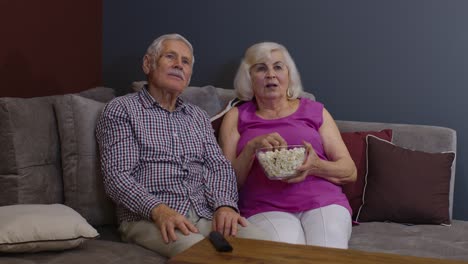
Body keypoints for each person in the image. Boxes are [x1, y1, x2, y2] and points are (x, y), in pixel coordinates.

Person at [96, 34, 270, 258]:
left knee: (266, 247)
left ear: (189, 75)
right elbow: (117, 177)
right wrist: (158, 210)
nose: (179, 65)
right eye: (170, 57)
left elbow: (219, 166)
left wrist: (225, 205)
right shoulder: (122, 110)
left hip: (205, 214)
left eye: (185, 61)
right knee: (201, 254)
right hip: (148, 218)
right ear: (148, 64)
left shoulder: (196, 116)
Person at [218, 42, 357, 249]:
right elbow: (224, 183)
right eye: (261, 68)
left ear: (289, 75)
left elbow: (350, 171)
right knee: (286, 254)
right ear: (249, 77)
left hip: (323, 201)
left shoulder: (315, 111)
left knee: (328, 253)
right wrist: (251, 149)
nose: (271, 75)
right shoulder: (236, 116)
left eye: (278, 67)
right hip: (264, 207)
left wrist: (315, 166)